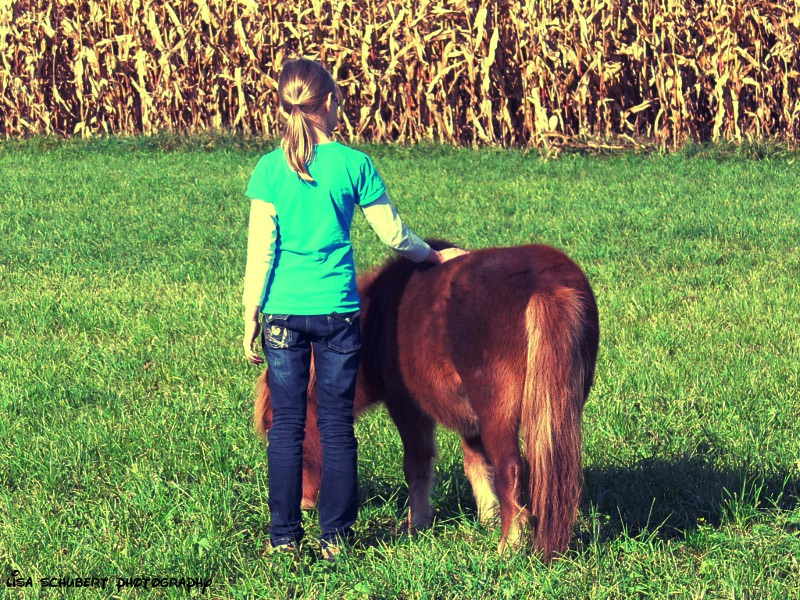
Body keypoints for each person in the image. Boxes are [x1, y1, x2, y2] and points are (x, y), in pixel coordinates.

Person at [241, 58, 467, 560]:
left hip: (282, 315)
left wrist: (251, 314)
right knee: (338, 425)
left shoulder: (268, 170)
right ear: (325, 104)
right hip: (338, 313)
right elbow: (392, 233)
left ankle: (283, 540)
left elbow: (261, 251)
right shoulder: (354, 164)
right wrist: (432, 255)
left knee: (288, 428)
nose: (341, 108)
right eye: (338, 100)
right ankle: (336, 540)